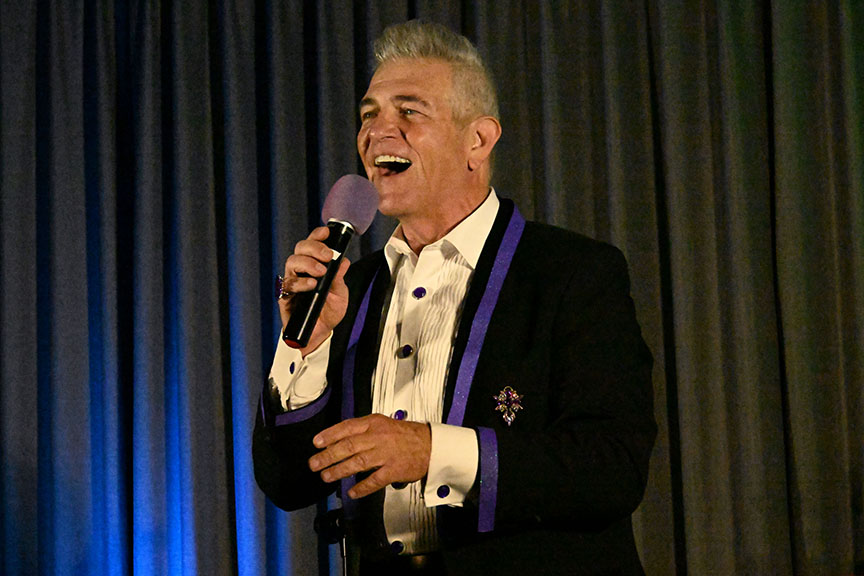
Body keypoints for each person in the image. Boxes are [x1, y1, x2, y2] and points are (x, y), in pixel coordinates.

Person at [253, 20, 656, 576]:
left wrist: (432, 452)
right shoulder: (350, 289)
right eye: (369, 114)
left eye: (409, 111)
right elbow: (286, 483)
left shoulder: (572, 273)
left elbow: (612, 467)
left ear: (478, 141)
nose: (378, 131)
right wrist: (307, 349)